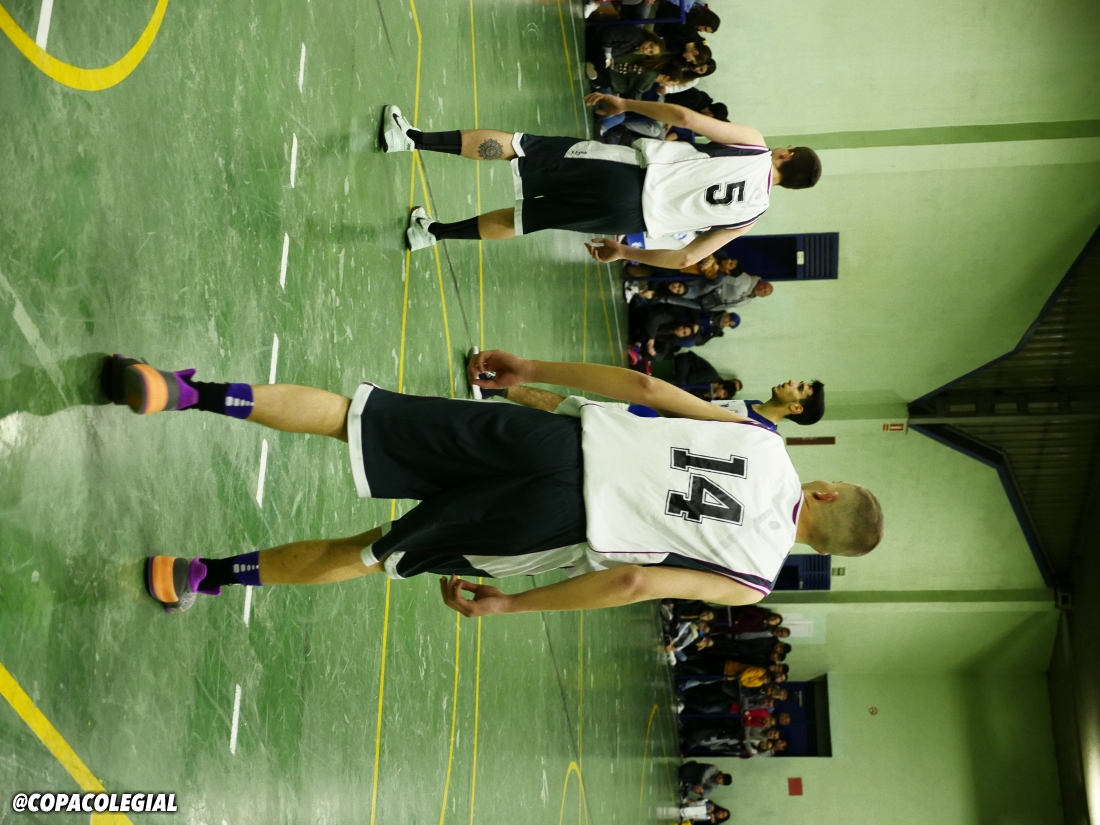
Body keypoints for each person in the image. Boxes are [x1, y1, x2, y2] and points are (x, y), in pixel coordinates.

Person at [104, 349, 883, 615]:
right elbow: (635, 581)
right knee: (373, 553)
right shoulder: (753, 581)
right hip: (555, 521)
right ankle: (198, 574)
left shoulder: (764, 439)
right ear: (822, 546)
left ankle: (188, 392)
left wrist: (532, 370)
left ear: (824, 493)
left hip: (554, 439)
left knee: (352, 417)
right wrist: (513, 603)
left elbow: (645, 389)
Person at [380, 98, 821, 267]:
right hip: (627, 219)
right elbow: (687, 258)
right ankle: (431, 233)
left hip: (625, 174)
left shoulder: (754, 146)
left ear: (787, 155)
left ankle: (410, 139)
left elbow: (685, 118)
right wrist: (625, 251)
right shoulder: (752, 215)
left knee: (520, 146)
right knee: (527, 219)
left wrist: (626, 103)